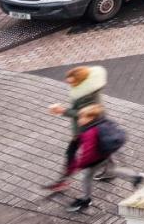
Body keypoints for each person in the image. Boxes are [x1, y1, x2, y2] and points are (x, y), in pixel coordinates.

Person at [63, 104, 144, 213]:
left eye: (82, 117)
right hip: (105, 153)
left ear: (91, 118)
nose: (79, 119)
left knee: (86, 177)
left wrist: (80, 165)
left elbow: (88, 153)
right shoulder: (102, 122)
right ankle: (136, 177)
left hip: (96, 159)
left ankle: (85, 199)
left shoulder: (89, 132)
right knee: (112, 170)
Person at [44, 65, 107, 193]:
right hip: (83, 128)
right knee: (103, 151)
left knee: (72, 153)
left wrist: (62, 110)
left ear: (81, 81)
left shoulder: (87, 95)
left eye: (72, 82)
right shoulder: (83, 90)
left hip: (88, 128)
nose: (69, 84)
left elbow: (83, 114)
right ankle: (110, 170)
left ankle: (63, 182)